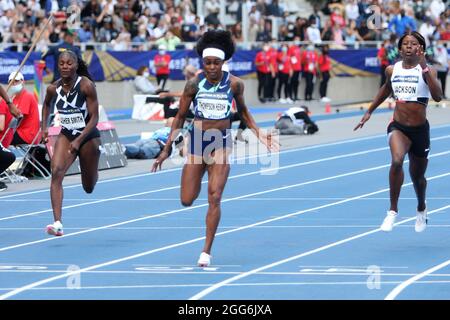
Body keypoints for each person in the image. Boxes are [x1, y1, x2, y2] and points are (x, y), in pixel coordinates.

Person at [151, 30, 278, 267]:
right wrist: (166, 149)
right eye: (207, 63)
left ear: (223, 63)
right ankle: (196, 175)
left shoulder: (235, 84)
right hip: (198, 142)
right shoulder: (192, 85)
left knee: (215, 197)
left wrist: (260, 134)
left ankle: (206, 251)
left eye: (215, 63)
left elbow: (244, 113)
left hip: (221, 143)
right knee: (187, 200)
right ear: (203, 63)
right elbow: (179, 117)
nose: (211, 67)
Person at [354, 31, 443, 233]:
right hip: (398, 127)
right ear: (400, 48)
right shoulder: (392, 70)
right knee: (396, 160)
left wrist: (424, 68)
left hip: (420, 130)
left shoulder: (429, 71)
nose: (409, 46)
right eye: (405, 43)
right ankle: (392, 211)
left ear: (421, 48)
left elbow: (437, 97)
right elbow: (386, 89)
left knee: (418, 178)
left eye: (413, 43)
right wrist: (369, 111)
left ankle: (421, 207)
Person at [41, 50, 102, 237]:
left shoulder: (86, 86)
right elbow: (46, 105)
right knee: (56, 171)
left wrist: (79, 139)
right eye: (61, 64)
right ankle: (57, 223)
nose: (65, 67)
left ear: (76, 65)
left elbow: (95, 118)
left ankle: (92, 170)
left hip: (88, 136)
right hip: (66, 134)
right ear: (57, 66)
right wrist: (44, 127)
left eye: (69, 63)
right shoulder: (53, 88)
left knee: (88, 187)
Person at [5, 72, 40, 146]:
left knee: (3, 138)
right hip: (19, 132)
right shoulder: (12, 98)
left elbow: (18, 116)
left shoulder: (27, 96)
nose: (14, 84)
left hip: (26, 135)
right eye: (11, 82)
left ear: (23, 82)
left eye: (16, 81)